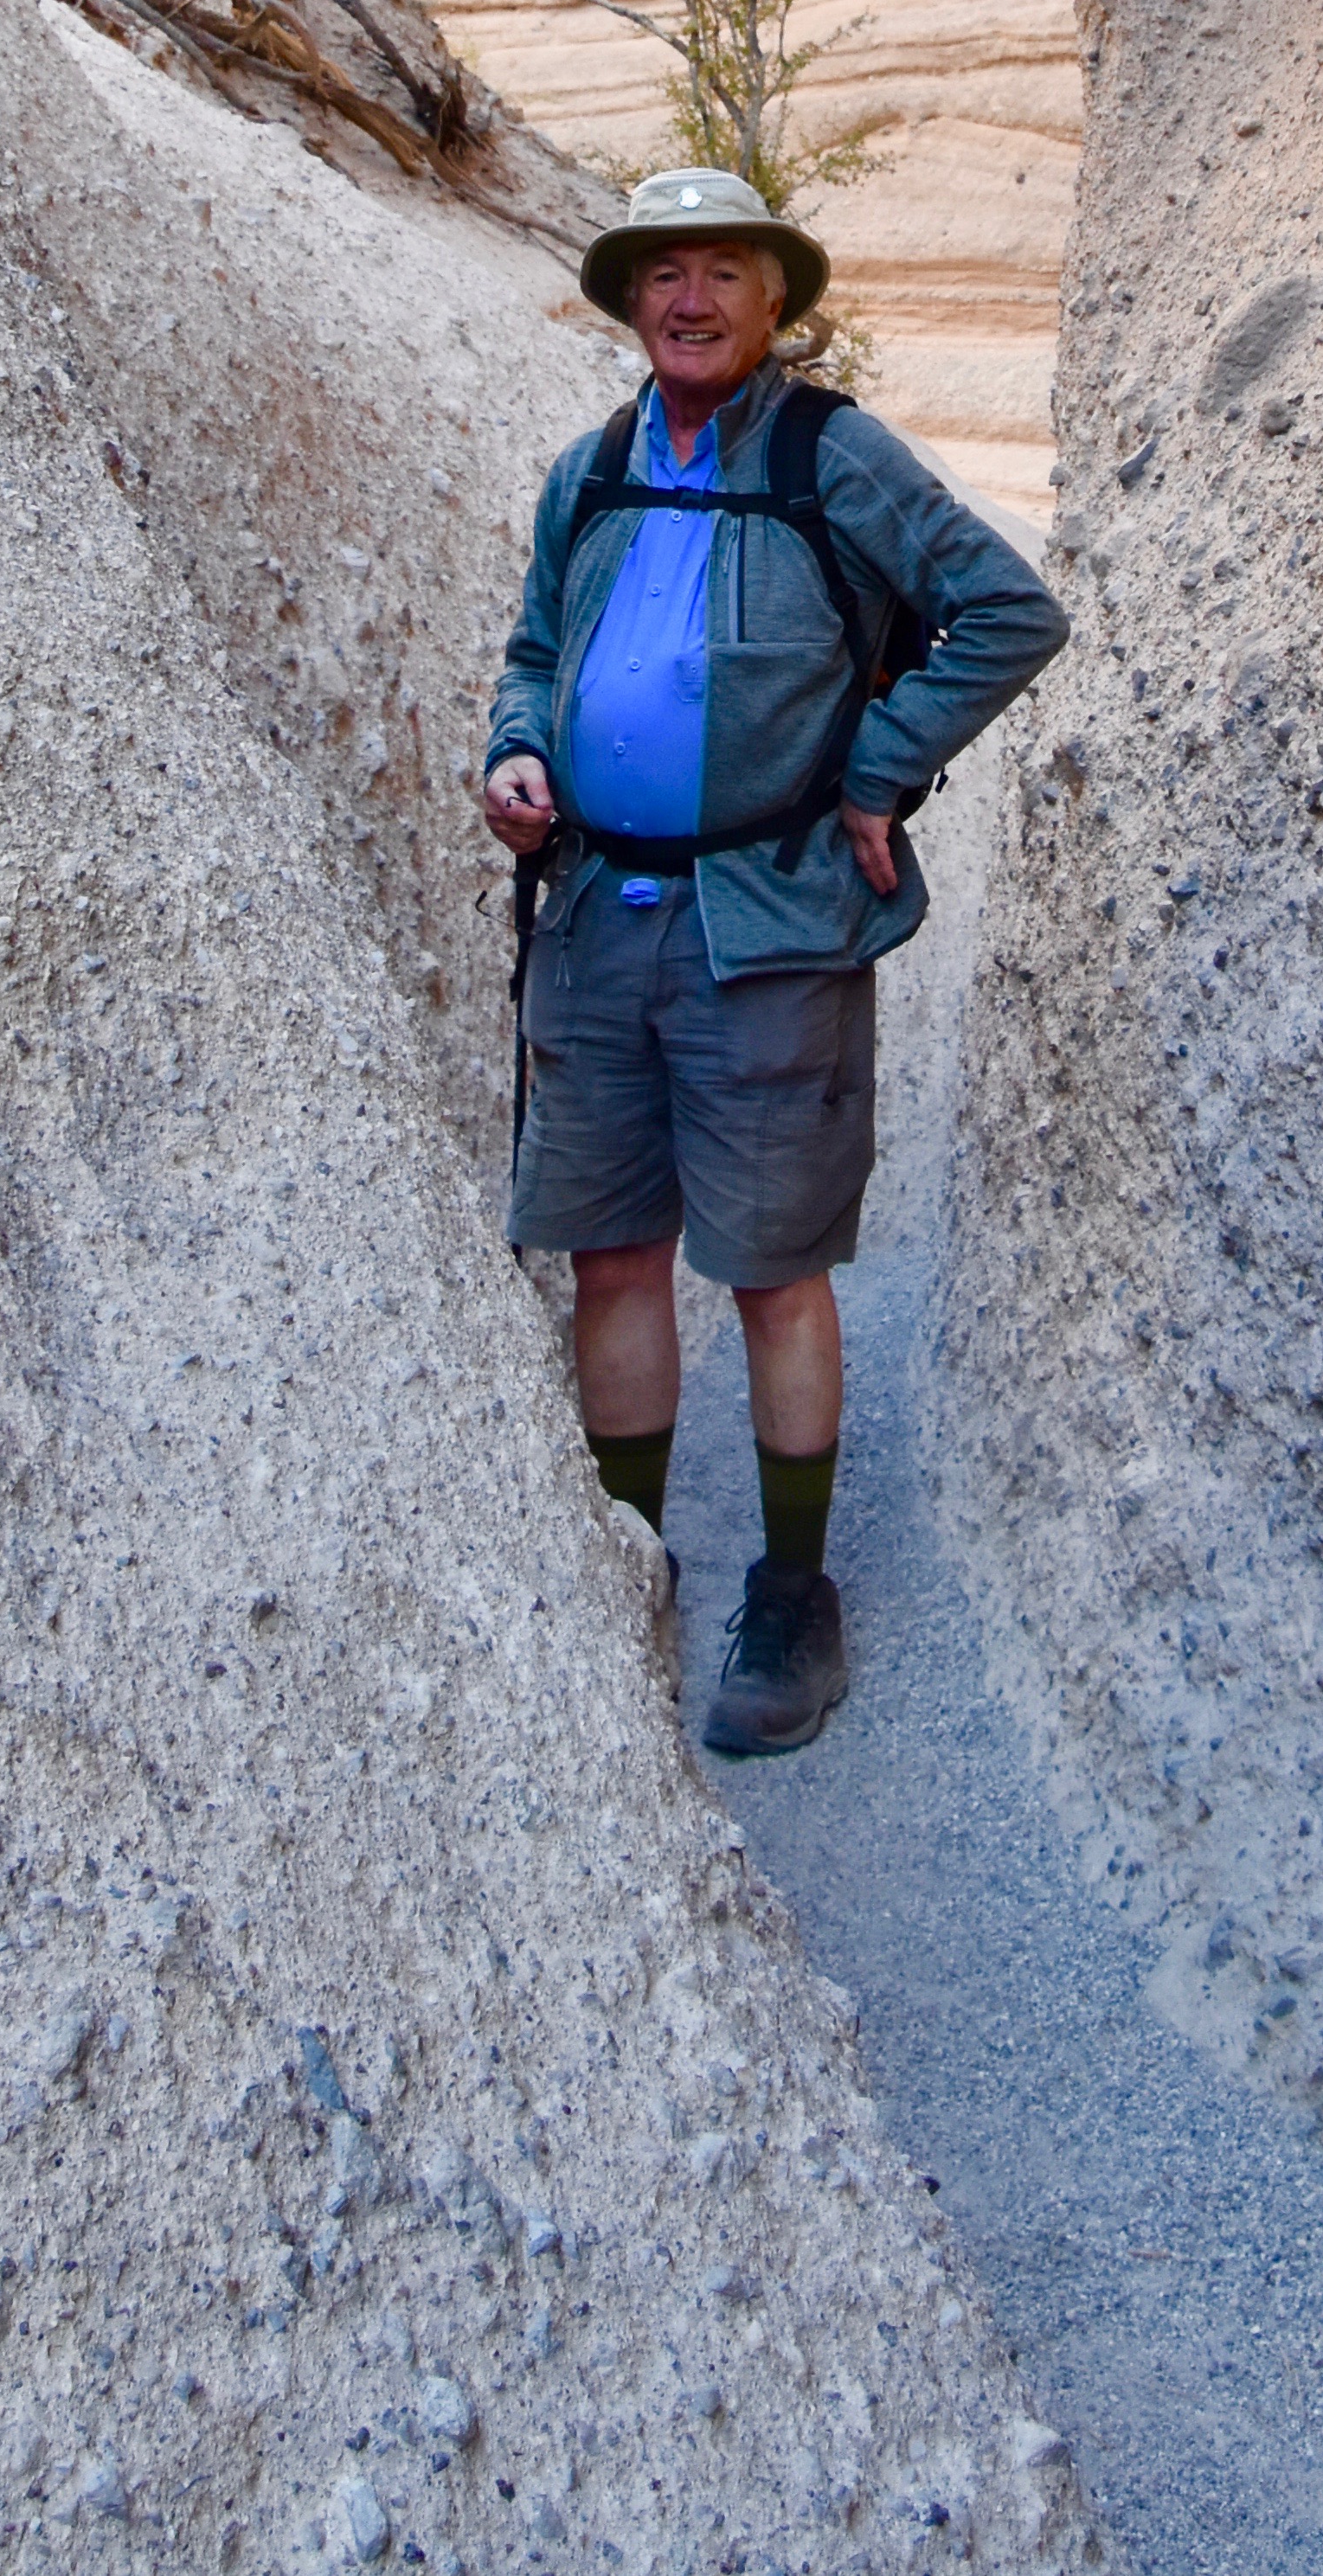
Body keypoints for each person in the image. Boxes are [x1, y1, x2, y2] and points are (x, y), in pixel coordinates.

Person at [483, 164, 1069, 1757]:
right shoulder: (587, 472)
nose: (689, 300)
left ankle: (792, 1591)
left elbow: (1006, 610)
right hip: (600, 914)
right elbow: (536, 649)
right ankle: (630, 1557)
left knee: (769, 1268)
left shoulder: (832, 454)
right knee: (608, 1253)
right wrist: (522, 751)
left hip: (772, 918)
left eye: (721, 272)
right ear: (626, 301)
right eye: (661, 273)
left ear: (771, 299)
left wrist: (878, 768)